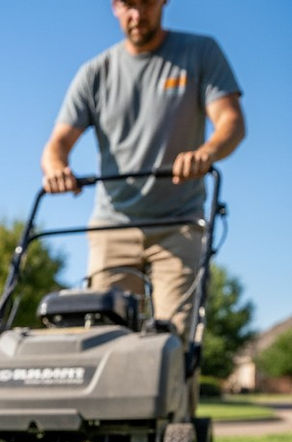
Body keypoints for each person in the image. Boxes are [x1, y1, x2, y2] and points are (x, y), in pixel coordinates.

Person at [40, 0, 245, 342]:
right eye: (129, 5)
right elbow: (57, 142)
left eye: (146, 3)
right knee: (104, 338)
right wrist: (57, 168)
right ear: (115, 7)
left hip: (178, 224)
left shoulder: (198, 53)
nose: (138, 15)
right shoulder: (96, 72)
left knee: (175, 339)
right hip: (112, 224)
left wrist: (206, 153)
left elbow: (231, 121)